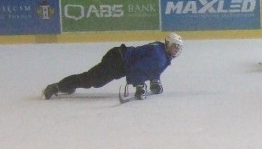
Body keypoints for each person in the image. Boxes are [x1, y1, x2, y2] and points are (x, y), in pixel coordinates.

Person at [43, 33, 183, 100]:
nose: (176, 50)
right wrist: (139, 85)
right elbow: (137, 67)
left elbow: (150, 68)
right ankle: (57, 86)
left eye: (178, 47)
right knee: (91, 80)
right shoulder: (159, 56)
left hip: (120, 58)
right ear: (167, 44)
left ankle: (66, 85)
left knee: (94, 81)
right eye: (174, 46)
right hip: (118, 61)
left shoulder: (162, 53)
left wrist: (154, 80)